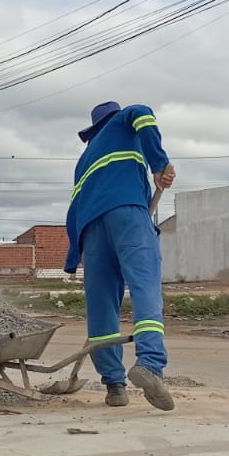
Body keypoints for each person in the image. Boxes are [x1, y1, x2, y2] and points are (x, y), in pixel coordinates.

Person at [63, 101, 176, 411]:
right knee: (145, 286)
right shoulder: (124, 123)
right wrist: (158, 164)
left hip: (91, 231)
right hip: (127, 213)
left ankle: (114, 385)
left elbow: (73, 210)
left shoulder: (84, 160)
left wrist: (73, 257)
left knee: (101, 306)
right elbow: (143, 112)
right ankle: (150, 363)